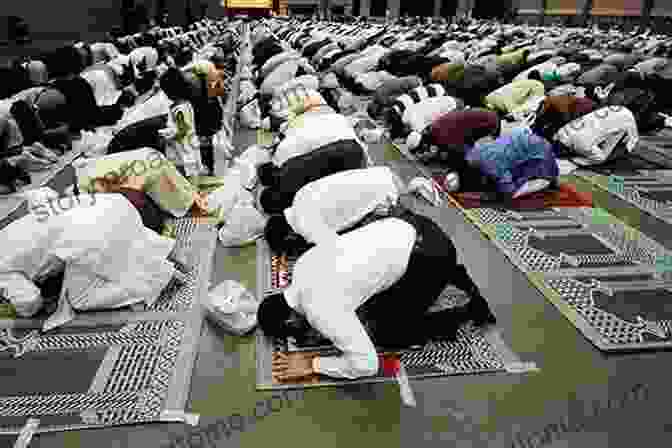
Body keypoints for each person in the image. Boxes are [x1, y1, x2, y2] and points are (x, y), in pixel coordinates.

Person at [259, 214, 497, 381]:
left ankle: (469, 310)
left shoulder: (321, 310)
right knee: (371, 306)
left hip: (430, 257)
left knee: (387, 333)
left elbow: (367, 365)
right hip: (411, 224)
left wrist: (313, 364)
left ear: (290, 322)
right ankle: (452, 273)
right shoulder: (302, 265)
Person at [264, 166, 406, 254]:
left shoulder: (309, 230)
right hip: (378, 173)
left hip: (386, 194)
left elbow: (340, 249)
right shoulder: (299, 195)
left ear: (289, 237)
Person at [158, 67, 203, 176]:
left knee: (184, 179)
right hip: (191, 146)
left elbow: (183, 131)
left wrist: (167, 137)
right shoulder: (187, 103)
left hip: (183, 152)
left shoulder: (179, 109)